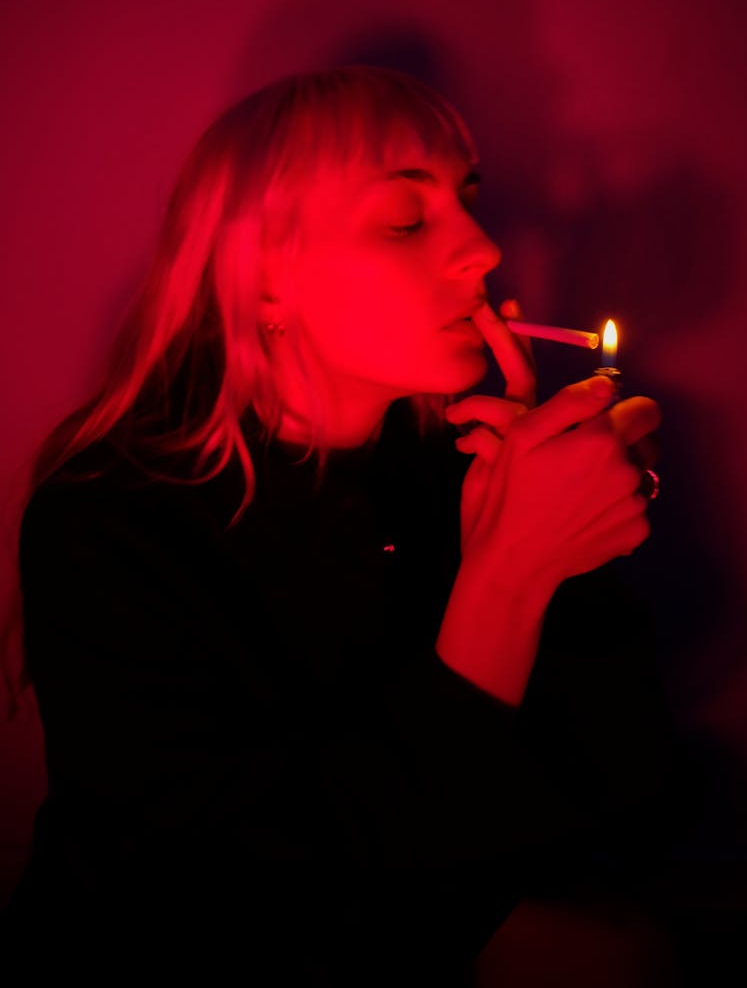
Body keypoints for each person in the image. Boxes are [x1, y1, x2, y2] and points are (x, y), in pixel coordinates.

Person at [2, 65, 681, 983]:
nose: (484, 248)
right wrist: (510, 574)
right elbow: (277, 916)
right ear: (265, 283)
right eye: (408, 220)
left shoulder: (455, 468)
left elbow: (615, 779)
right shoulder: (108, 521)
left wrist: (571, 554)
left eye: (467, 200)